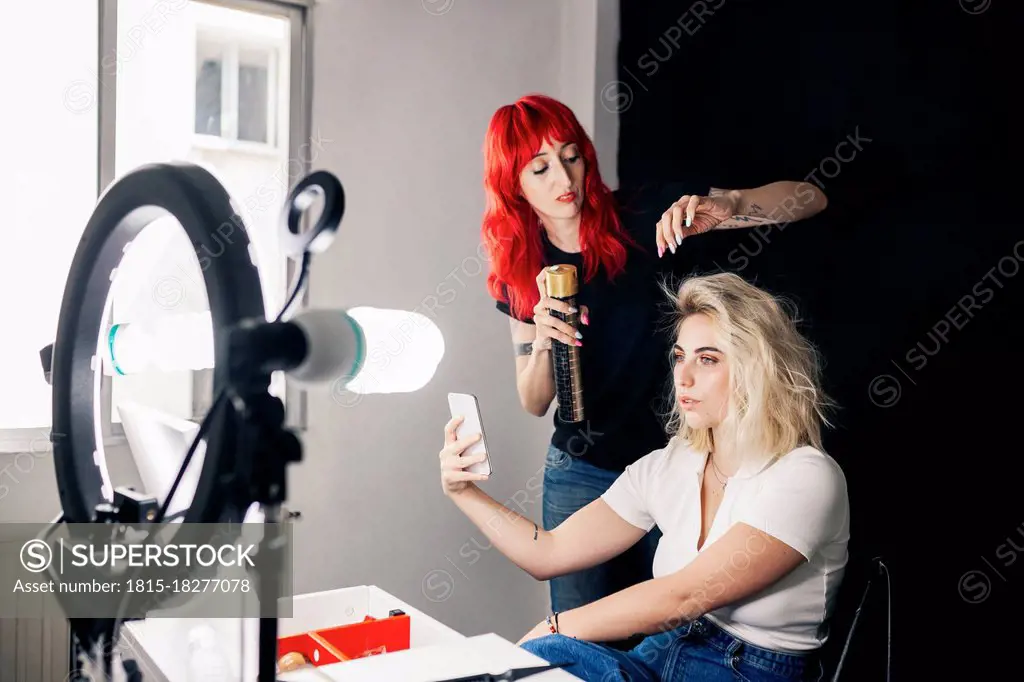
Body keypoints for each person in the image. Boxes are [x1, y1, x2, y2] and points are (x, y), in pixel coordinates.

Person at [479, 93, 829, 618]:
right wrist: (545, 339)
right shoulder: (520, 266)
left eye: (571, 156)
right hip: (582, 469)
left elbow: (808, 198)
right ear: (513, 183)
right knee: (573, 632)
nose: (564, 180)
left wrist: (731, 206)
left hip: (677, 465)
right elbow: (532, 401)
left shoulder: (645, 215)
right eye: (541, 167)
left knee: (674, 630)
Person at [438, 272, 849, 681]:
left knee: (549, 649)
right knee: (547, 661)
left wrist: (554, 628)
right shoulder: (673, 462)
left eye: (707, 359)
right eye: (679, 356)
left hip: (747, 670)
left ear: (755, 368)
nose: (683, 376)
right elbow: (549, 553)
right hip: (662, 653)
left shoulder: (806, 476)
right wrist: (464, 491)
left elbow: (683, 597)